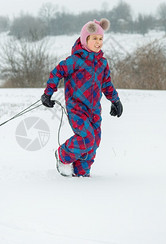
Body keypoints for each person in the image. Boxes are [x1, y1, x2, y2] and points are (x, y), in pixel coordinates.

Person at [41, 18, 123, 177]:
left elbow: (106, 84)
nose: (98, 42)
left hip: (94, 110)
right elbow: (56, 73)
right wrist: (48, 93)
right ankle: (63, 155)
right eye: (94, 38)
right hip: (77, 109)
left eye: (100, 39)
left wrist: (115, 100)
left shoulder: (102, 63)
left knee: (94, 142)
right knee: (87, 138)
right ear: (85, 39)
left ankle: (81, 175)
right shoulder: (74, 61)